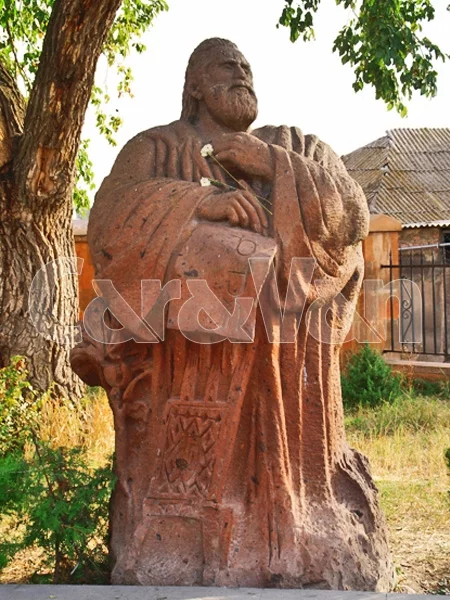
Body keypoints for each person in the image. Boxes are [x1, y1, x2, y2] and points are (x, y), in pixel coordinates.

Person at [72, 38, 393, 589]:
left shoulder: (294, 144)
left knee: (268, 271)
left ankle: (297, 516)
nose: (243, 74)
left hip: (291, 362)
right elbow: (109, 220)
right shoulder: (155, 147)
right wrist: (203, 203)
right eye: (228, 66)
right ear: (195, 85)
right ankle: (184, 527)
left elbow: (354, 216)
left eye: (247, 67)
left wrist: (272, 165)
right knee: (237, 263)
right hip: (189, 353)